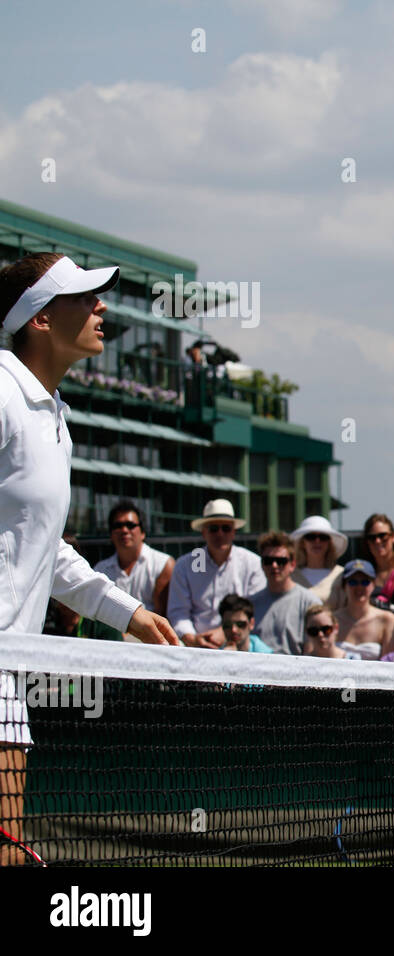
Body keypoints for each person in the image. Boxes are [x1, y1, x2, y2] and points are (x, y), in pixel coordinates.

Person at [0, 253, 179, 867]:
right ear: (41, 319)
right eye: (84, 298)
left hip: (11, 675)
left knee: (10, 850)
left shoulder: (56, 420)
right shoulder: (0, 391)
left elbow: (46, 554)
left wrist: (126, 612)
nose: (101, 307)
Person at [167, 499, 265, 648]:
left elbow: (255, 609)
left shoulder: (252, 564)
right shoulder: (185, 565)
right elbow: (178, 613)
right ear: (203, 532)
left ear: (234, 532)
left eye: (225, 528)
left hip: (240, 645)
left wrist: (223, 633)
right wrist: (192, 639)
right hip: (194, 647)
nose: (220, 534)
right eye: (213, 528)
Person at [92, 500, 175, 633]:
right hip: (111, 640)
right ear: (111, 534)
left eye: (130, 525)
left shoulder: (163, 564)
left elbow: (163, 617)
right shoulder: (100, 570)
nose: (124, 530)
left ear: (143, 533)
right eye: (118, 526)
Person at [248, 531, 319, 655]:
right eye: (268, 561)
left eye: (281, 561)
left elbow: (313, 652)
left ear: (292, 564)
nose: (274, 566)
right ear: (262, 565)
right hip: (255, 671)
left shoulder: (309, 603)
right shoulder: (250, 604)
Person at [334, 559, 394, 660]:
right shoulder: (333, 620)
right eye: (353, 582)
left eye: (365, 582)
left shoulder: (387, 619)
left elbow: (390, 663)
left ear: (373, 585)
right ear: (344, 586)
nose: (359, 587)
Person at [289, 514, 348, 607]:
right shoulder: (291, 575)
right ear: (303, 543)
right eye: (311, 537)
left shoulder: (340, 575)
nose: (317, 541)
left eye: (323, 537)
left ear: (329, 543)